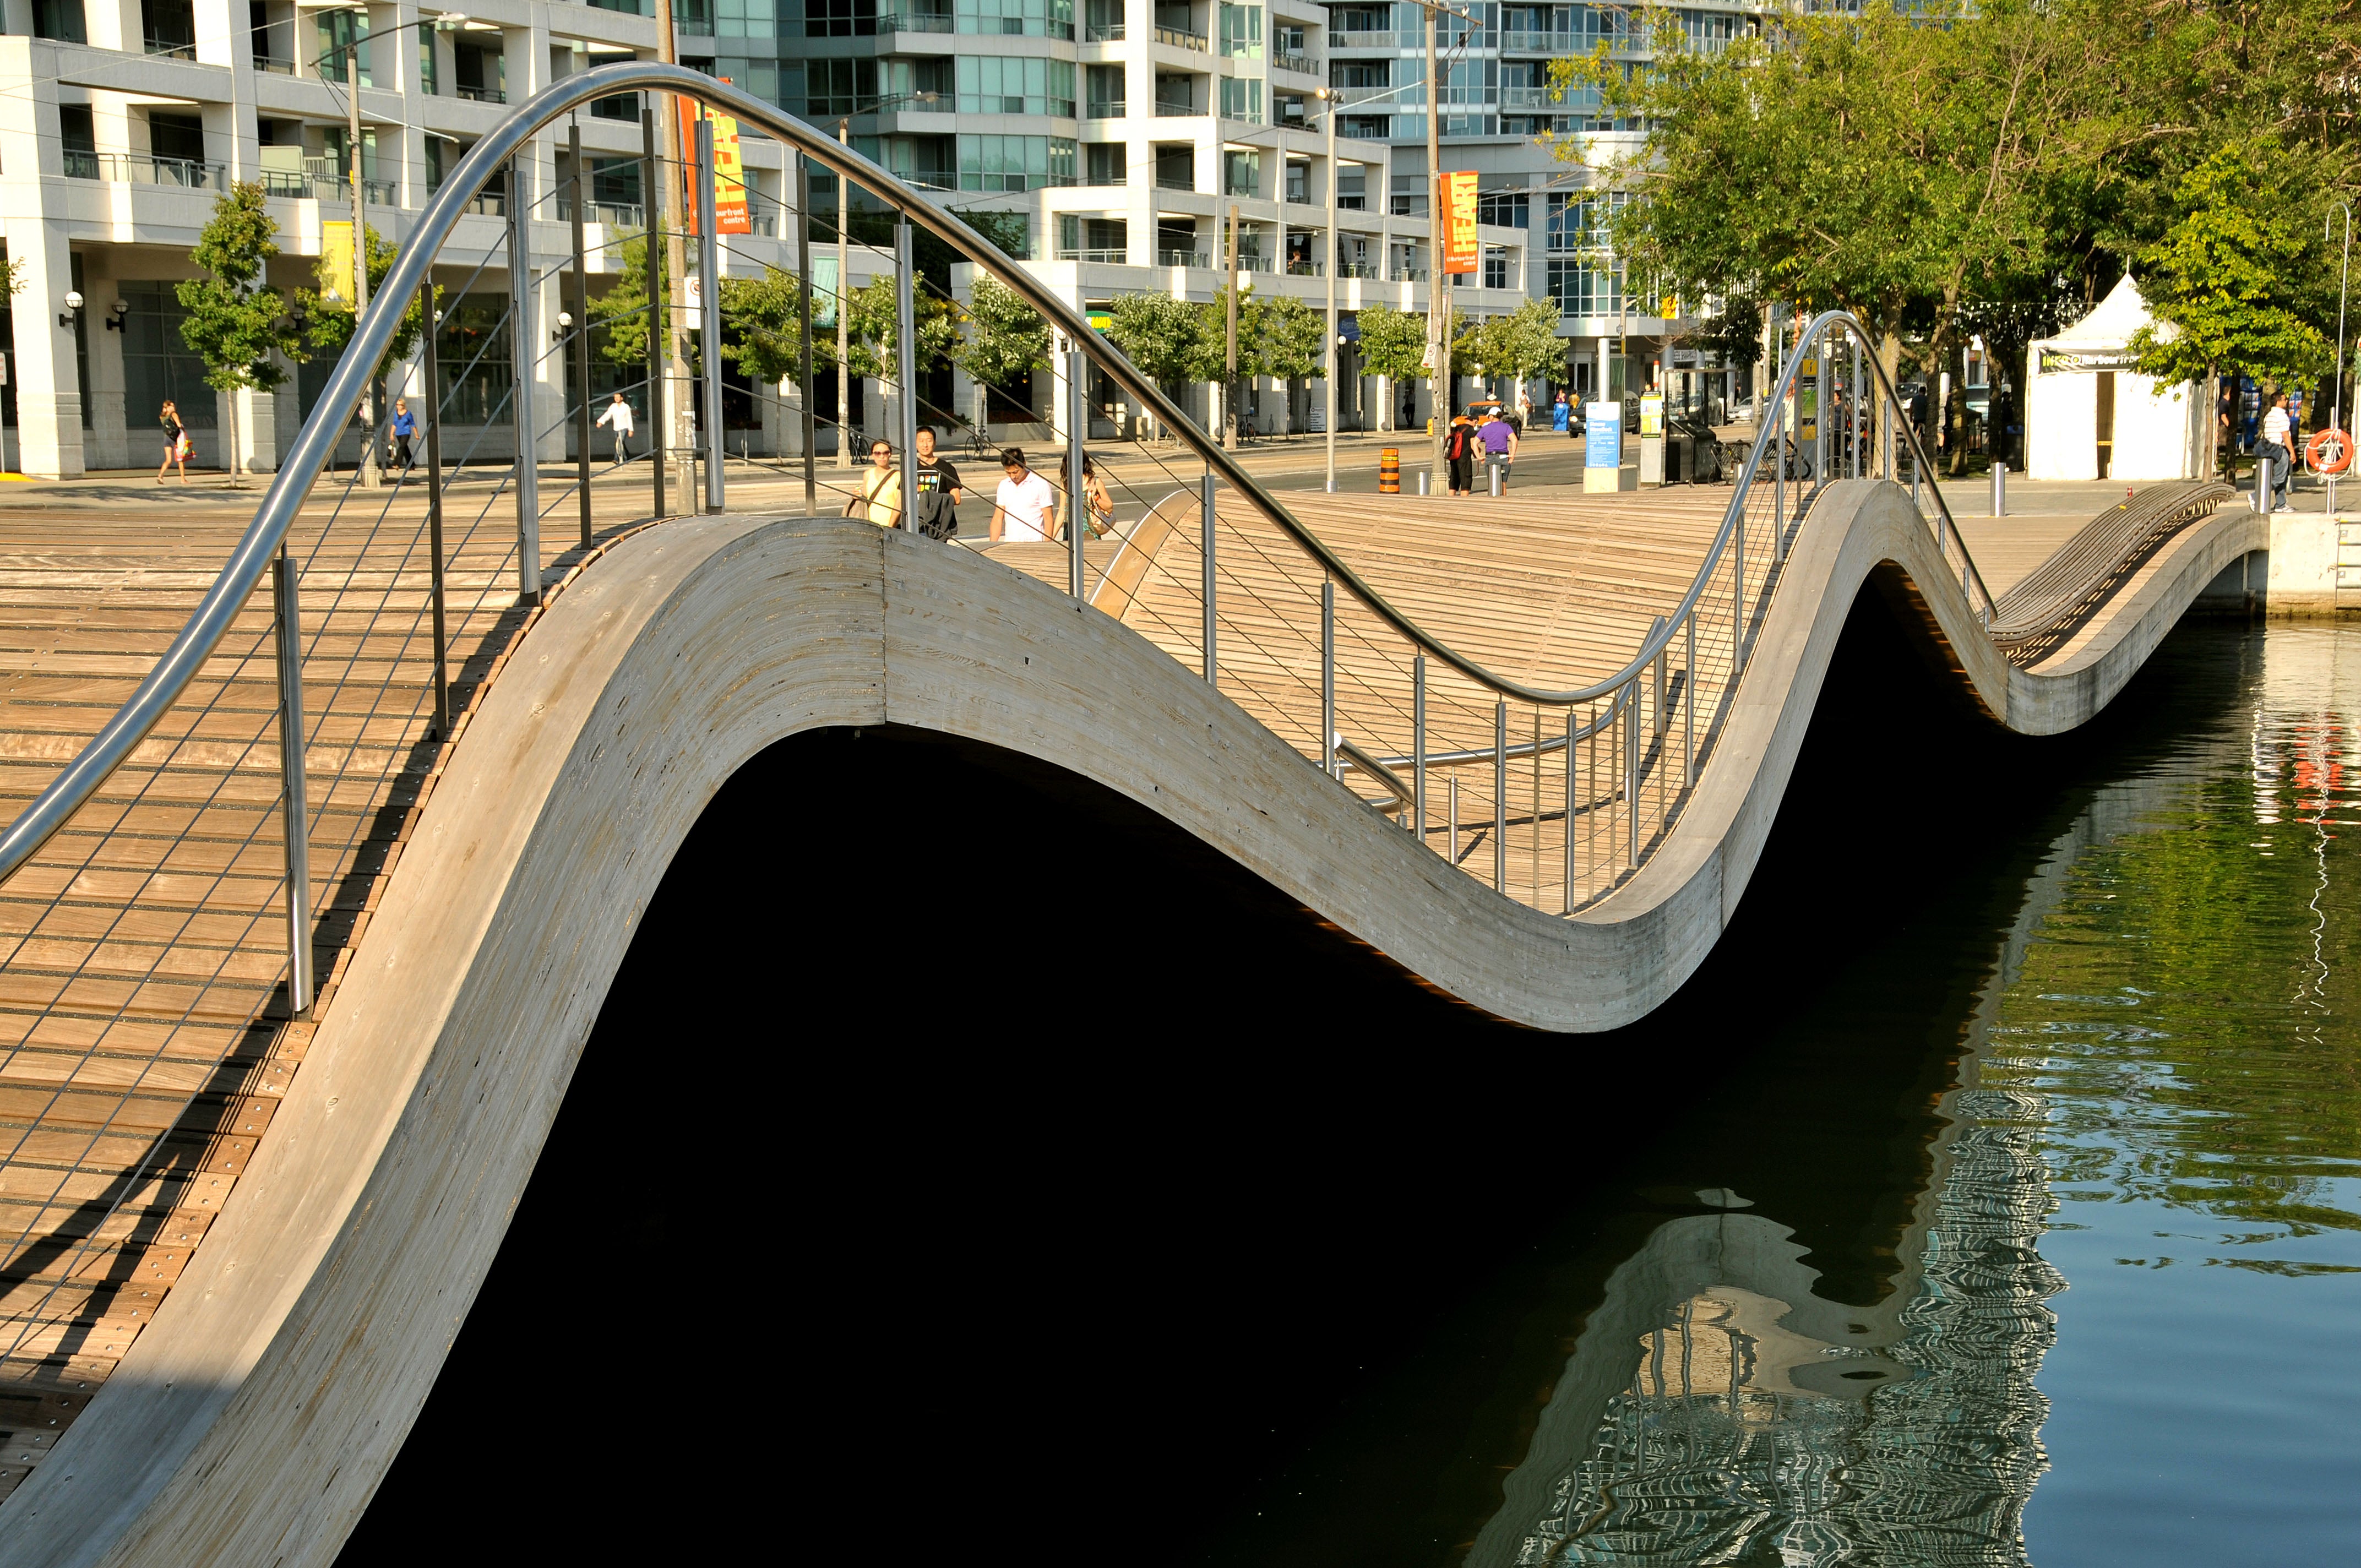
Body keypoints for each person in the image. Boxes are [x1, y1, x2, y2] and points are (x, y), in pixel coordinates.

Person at [991, 447, 1057, 542]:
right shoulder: (1004, 485)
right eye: (1008, 473)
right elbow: (998, 518)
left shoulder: (1040, 484)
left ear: (1024, 464)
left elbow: (1048, 518)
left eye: (1015, 472)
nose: (1013, 476)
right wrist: (992, 544)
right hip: (1010, 542)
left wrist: (1047, 544)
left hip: (1034, 542)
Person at [911, 426, 963, 540]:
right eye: (921, 441)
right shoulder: (910, 467)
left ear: (934, 443)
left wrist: (935, 501)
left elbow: (957, 499)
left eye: (929, 441)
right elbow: (900, 497)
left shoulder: (946, 468)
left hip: (938, 527)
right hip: (915, 524)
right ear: (915, 444)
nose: (925, 445)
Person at [846, 438, 904, 528]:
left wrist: (890, 527)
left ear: (890, 454)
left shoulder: (898, 476)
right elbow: (865, 499)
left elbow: (898, 506)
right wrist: (857, 496)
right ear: (872, 455)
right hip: (870, 525)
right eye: (877, 453)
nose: (882, 456)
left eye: (886, 453)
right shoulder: (868, 474)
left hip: (890, 526)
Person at [2260, 390, 2295, 513]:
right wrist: (2292, 452)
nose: (2287, 401)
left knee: (2280, 476)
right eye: (2285, 399)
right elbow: (2286, 436)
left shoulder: (2269, 415)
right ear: (2279, 402)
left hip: (2269, 448)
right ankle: (2257, 494)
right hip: (2279, 449)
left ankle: (2281, 504)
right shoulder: (2281, 416)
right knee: (2280, 477)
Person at [1477, 407, 1518, 494]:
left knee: (1492, 482)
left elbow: (1474, 442)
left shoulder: (1485, 428)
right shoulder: (1506, 427)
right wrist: (1512, 456)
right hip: (1503, 457)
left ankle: (1492, 501)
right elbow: (1515, 440)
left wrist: (1479, 457)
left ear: (1492, 417)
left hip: (1489, 458)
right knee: (1503, 484)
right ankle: (1504, 501)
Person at [1078, 456, 1116, 538]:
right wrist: (1050, 538)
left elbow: (1109, 507)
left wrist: (1095, 497)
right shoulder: (1066, 484)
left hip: (1090, 535)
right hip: (1070, 534)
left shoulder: (1095, 482)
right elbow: (1062, 513)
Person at [596, 393, 635, 465]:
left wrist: (631, 430)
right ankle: (627, 458)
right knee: (621, 443)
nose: (616, 398)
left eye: (618, 397)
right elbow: (607, 415)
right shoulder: (613, 407)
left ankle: (616, 459)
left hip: (624, 427)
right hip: (616, 428)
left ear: (622, 398)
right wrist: (601, 422)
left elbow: (629, 418)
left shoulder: (626, 407)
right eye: (615, 397)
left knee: (620, 442)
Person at [1443, 415, 1476, 497]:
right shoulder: (1471, 430)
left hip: (1454, 457)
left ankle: (1451, 499)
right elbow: (1473, 445)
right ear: (1475, 421)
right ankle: (1464, 500)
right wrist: (1477, 455)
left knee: (1454, 479)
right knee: (1466, 479)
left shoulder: (1457, 428)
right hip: (1464, 458)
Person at [157, 400, 189, 484]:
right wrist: (183, 429)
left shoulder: (162, 417)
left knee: (168, 460)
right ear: (167, 408)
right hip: (176, 439)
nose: (173, 407)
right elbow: (179, 425)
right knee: (180, 460)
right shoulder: (174, 414)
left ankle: (161, 475)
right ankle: (183, 479)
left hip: (167, 438)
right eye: (171, 406)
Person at [389, 399, 417, 477]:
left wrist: (416, 434)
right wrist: (392, 434)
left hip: (406, 433)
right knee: (405, 449)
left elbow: (413, 424)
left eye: (400, 405)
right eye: (397, 405)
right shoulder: (396, 414)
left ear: (404, 405)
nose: (398, 406)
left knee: (401, 447)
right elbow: (394, 424)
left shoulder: (408, 414)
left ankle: (397, 464)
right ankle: (412, 465)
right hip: (399, 433)